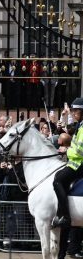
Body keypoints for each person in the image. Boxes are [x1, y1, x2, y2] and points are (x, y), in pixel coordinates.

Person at [52, 96, 83, 228]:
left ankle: (65, 215)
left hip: (79, 164)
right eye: (73, 111)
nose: (73, 113)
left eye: (76, 111)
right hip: (75, 162)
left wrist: (66, 150)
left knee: (58, 180)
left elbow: (79, 151)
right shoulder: (80, 126)